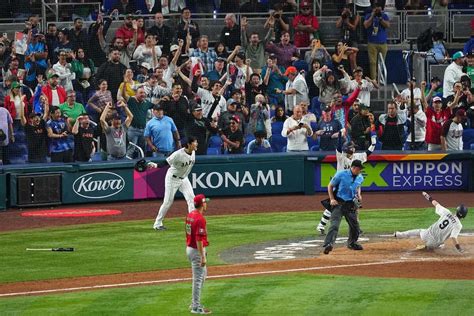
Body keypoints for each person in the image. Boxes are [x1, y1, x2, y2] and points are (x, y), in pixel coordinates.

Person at [150, 137, 198, 230]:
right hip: (172, 179)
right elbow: (166, 162)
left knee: (192, 199)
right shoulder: (178, 154)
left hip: (184, 179)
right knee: (168, 202)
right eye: (195, 142)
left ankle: (192, 222)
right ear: (188, 144)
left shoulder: (193, 152)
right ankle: (157, 224)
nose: (196, 144)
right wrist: (154, 165)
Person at [395, 192, 468, 253]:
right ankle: (424, 248)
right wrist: (459, 249)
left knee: (419, 231)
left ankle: (399, 234)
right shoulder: (458, 225)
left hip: (426, 234)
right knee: (441, 245)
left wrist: (427, 196)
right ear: (464, 216)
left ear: (456, 210)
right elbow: (453, 237)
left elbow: (436, 203)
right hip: (433, 243)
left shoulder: (447, 212)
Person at [322, 159, 365, 254]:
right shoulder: (341, 174)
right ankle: (328, 244)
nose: (360, 171)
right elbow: (330, 186)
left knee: (355, 227)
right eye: (358, 169)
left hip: (350, 204)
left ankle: (352, 243)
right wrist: (332, 199)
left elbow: (358, 186)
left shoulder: (360, 177)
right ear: (353, 168)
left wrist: (359, 194)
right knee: (334, 225)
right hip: (338, 203)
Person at [185, 193, 212, 315]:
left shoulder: (190, 214)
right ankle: (195, 306)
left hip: (190, 248)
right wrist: (202, 256)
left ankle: (195, 303)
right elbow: (199, 239)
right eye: (205, 202)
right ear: (202, 204)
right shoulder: (200, 219)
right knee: (198, 279)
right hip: (196, 250)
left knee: (203, 275)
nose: (206, 204)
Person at [363, 1, 390, 81]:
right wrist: (372, 16)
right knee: (373, 62)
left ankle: (380, 78)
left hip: (383, 43)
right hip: (372, 42)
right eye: (375, 9)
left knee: (381, 63)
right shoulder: (368, 15)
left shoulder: (384, 16)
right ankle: (374, 80)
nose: (377, 10)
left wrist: (380, 19)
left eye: (379, 9)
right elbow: (366, 25)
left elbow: (387, 25)